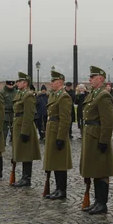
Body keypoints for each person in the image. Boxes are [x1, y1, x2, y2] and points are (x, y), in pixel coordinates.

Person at [80, 66, 113, 215]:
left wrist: (104, 140)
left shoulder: (103, 96)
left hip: (97, 137)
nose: (89, 79)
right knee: (94, 169)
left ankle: (102, 203)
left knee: (101, 170)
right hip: (90, 135)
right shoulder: (93, 95)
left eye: (92, 76)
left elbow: (107, 121)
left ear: (101, 79)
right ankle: (97, 201)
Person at [43, 69, 72, 199]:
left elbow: (65, 119)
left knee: (60, 162)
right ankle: (57, 188)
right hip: (52, 129)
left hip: (58, 131)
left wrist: (61, 137)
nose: (51, 83)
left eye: (53, 81)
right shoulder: (54, 95)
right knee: (54, 160)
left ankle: (62, 189)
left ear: (60, 82)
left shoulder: (64, 96)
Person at [11, 72, 42, 187]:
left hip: (25, 126)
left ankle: (26, 178)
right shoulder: (20, 94)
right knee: (22, 152)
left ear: (25, 83)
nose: (17, 83)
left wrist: (25, 131)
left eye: (19, 81)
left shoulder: (28, 95)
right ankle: (24, 177)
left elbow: (29, 115)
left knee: (27, 153)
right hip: (19, 125)